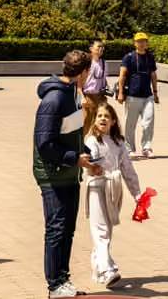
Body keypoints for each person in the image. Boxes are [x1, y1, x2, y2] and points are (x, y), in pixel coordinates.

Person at [35, 49, 101, 298]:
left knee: (67, 229)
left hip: (69, 172)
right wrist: (75, 158)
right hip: (54, 174)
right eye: (89, 73)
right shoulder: (53, 100)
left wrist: (85, 154)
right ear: (83, 72)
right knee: (57, 228)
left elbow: (69, 133)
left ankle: (63, 280)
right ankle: (54, 285)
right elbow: (45, 144)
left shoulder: (72, 94)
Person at [84, 102, 142, 290]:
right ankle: (108, 270)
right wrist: (92, 165)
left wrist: (137, 194)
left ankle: (98, 270)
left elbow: (128, 169)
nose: (102, 119)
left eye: (106, 116)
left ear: (113, 121)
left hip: (113, 188)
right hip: (96, 186)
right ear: (94, 120)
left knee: (106, 231)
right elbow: (88, 159)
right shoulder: (91, 140)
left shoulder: (119, 143)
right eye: (99, 116)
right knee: (100, 231)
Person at [117, 34, 158, 157]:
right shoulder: (128, 57)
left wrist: (155, 92)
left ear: (147, 43)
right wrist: (120, 92)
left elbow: (153, 75)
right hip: (132, 95)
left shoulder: (150, 57)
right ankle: (129, 149)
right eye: (139, 41)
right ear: (134, 43)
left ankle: (146, 147)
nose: (141, 43)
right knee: (130, 124)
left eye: (144, 41)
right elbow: (122, 75)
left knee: (149, 121)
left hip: (147, 95)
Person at [82, 39, 109, 135]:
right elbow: (79, 81)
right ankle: (80, 145)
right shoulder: (86, 62)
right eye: (99, 47)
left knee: (100, 122)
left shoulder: (104, 63)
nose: (101, 49)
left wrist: (106, 90)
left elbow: (103, 79)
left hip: (100, 96)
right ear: (91, 48)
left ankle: (97, 145)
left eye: (102, 47)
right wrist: (82, 97)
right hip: (88, 96)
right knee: (86, 122)